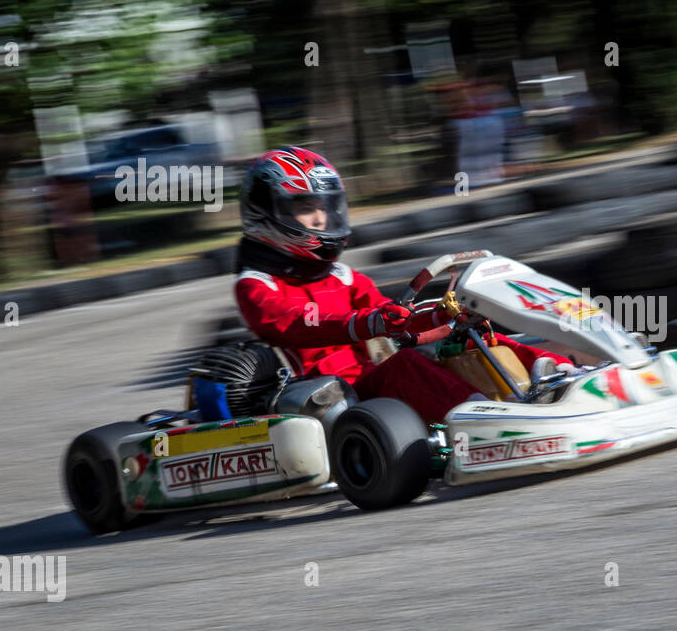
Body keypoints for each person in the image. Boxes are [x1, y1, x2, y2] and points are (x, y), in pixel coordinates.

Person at [234, 147, 570, 424]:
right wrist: (366, 323)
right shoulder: (256, 285)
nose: (321, 219)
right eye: (307, 208)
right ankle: (490, 421)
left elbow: (390, 315)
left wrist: (441, 319)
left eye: (323, 207)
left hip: (368, 384)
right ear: (267, 214)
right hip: (324, 398)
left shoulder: (342, 277)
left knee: (466, 338)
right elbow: (293, 323)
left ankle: (559, 376)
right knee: (405, 367)